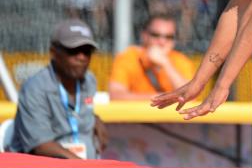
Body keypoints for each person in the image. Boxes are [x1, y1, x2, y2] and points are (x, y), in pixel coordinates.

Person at [9, 19, 108, 159]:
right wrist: (84, 167)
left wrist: (94, 118)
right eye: (73, 50)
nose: (81, 57)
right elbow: (41, 145)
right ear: (53, 52)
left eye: (87, 51)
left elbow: (77, 114)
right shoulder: (35, 88)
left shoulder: (89, 81)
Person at [109, 14, 195, 100]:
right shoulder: (128, 57)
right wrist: (161, 99)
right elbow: (115, 95)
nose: (162, 41)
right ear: (144, 35)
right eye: (155, 35)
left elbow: (189, 96)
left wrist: (166, 64)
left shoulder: (181, 61)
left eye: (169, 37)